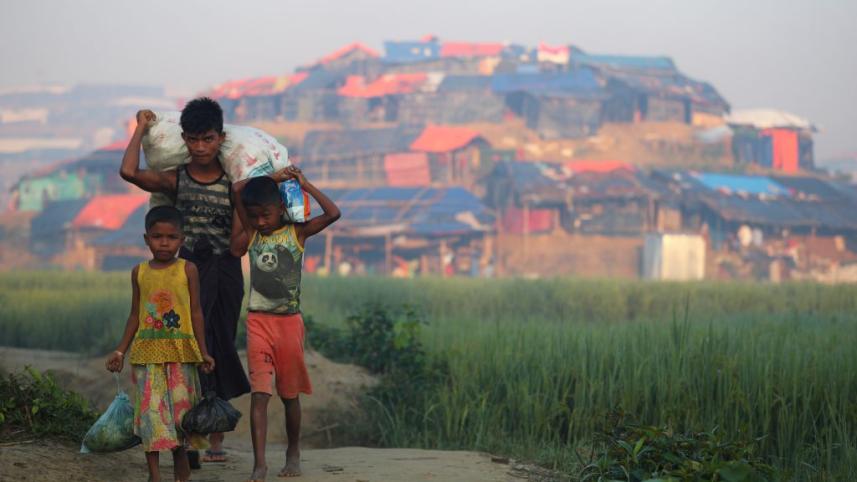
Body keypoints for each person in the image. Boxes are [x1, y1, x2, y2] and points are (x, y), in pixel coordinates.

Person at [120, 98, 253, 464]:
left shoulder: (234, 184)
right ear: (184, 139)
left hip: (224, 273)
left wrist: (245, 208)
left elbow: (240, 245)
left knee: (219, 346)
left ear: (221, 139)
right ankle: (186, 436)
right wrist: (140, 129)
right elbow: (129, 172)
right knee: (187, 349)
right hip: (184, 275)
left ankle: (213, 438)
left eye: (207, 139)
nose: (200, 147)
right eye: (192, 140)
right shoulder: (175, 179)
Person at [232, 167, 340, 480]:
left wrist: (304, 184)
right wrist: (272, 179)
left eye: (266, 214)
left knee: (289, 395)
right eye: (254, 216)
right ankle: (260, 464)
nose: (260, 221)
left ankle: (293, 451)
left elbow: (333, 212)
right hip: (257, 322)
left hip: (289, 323)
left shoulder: (297, 233)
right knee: (260, 394)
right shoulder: (251, 234)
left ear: (281, 208)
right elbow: (236, 191)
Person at [105, 206, 216, 482]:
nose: (164, 243)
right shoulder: (139, 272)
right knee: (151, 417)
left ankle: (182, 475)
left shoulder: (187, 269)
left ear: (182, 239)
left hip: (181, 355)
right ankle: (154, 476)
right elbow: (135, 314)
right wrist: (120, 349)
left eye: (171, 237)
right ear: (146, 239)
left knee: (180, 419)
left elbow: (196, 312)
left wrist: (203, 352)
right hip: (147, 355)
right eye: (157, 237)